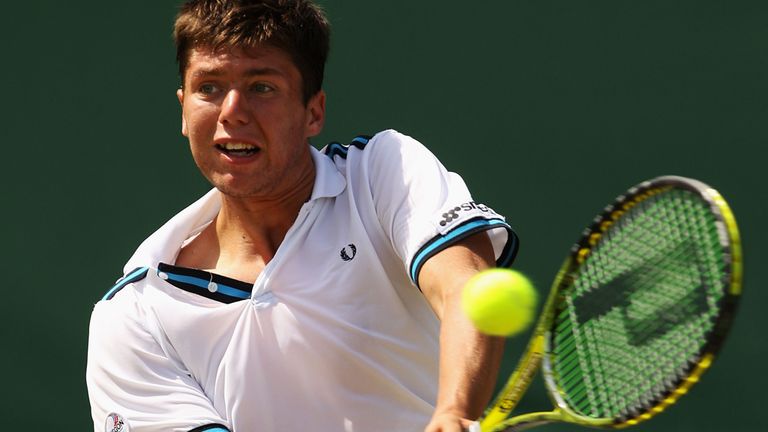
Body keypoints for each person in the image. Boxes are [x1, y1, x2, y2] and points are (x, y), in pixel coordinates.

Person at [86, 1, 519, 431]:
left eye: (262, 87)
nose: (232, 110)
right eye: (209, 88)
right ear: (183, 108)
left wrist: (454, 413)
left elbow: (465, 287)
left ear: (313, 111)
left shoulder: (383, 172)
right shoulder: (135, 318)